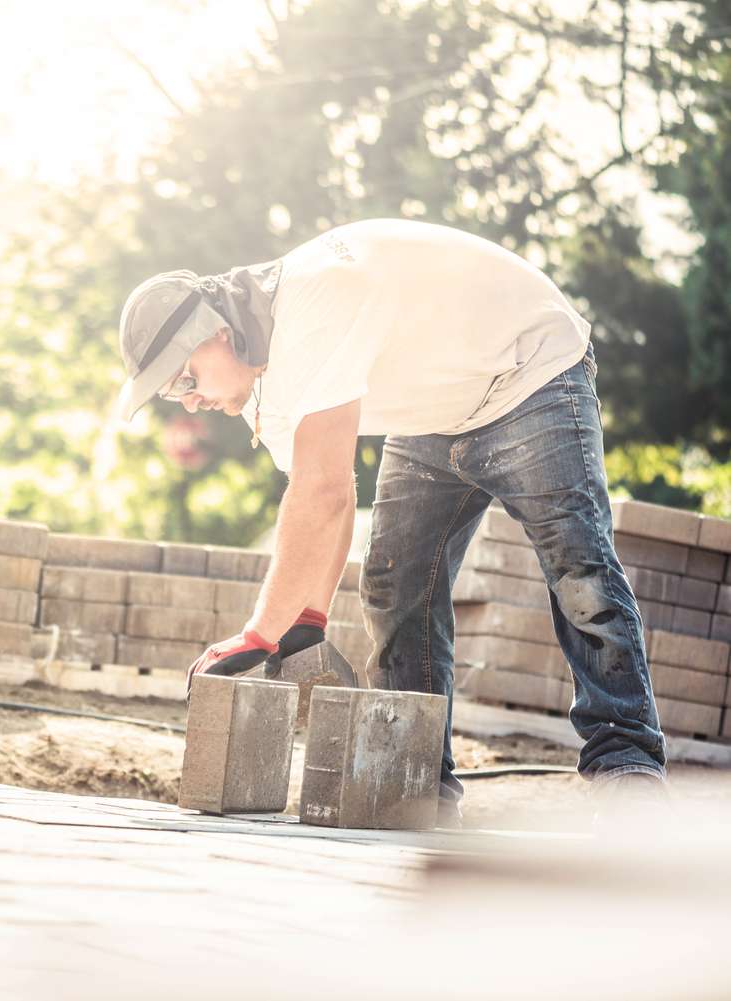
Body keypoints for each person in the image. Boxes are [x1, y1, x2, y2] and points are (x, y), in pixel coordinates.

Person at [116, 218, 666, 825]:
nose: (190, 399)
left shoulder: (314, 299)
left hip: (528, 375)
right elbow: (330, 499)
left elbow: (320, 492)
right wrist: (306, 618)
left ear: (217, 330)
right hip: (435, 414)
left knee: (578, 565)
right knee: (394, 583)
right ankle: (421, 779)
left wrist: (258, 633)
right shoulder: (265, 386)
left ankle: (625, 763)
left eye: (186, 378)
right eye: (174, 394)